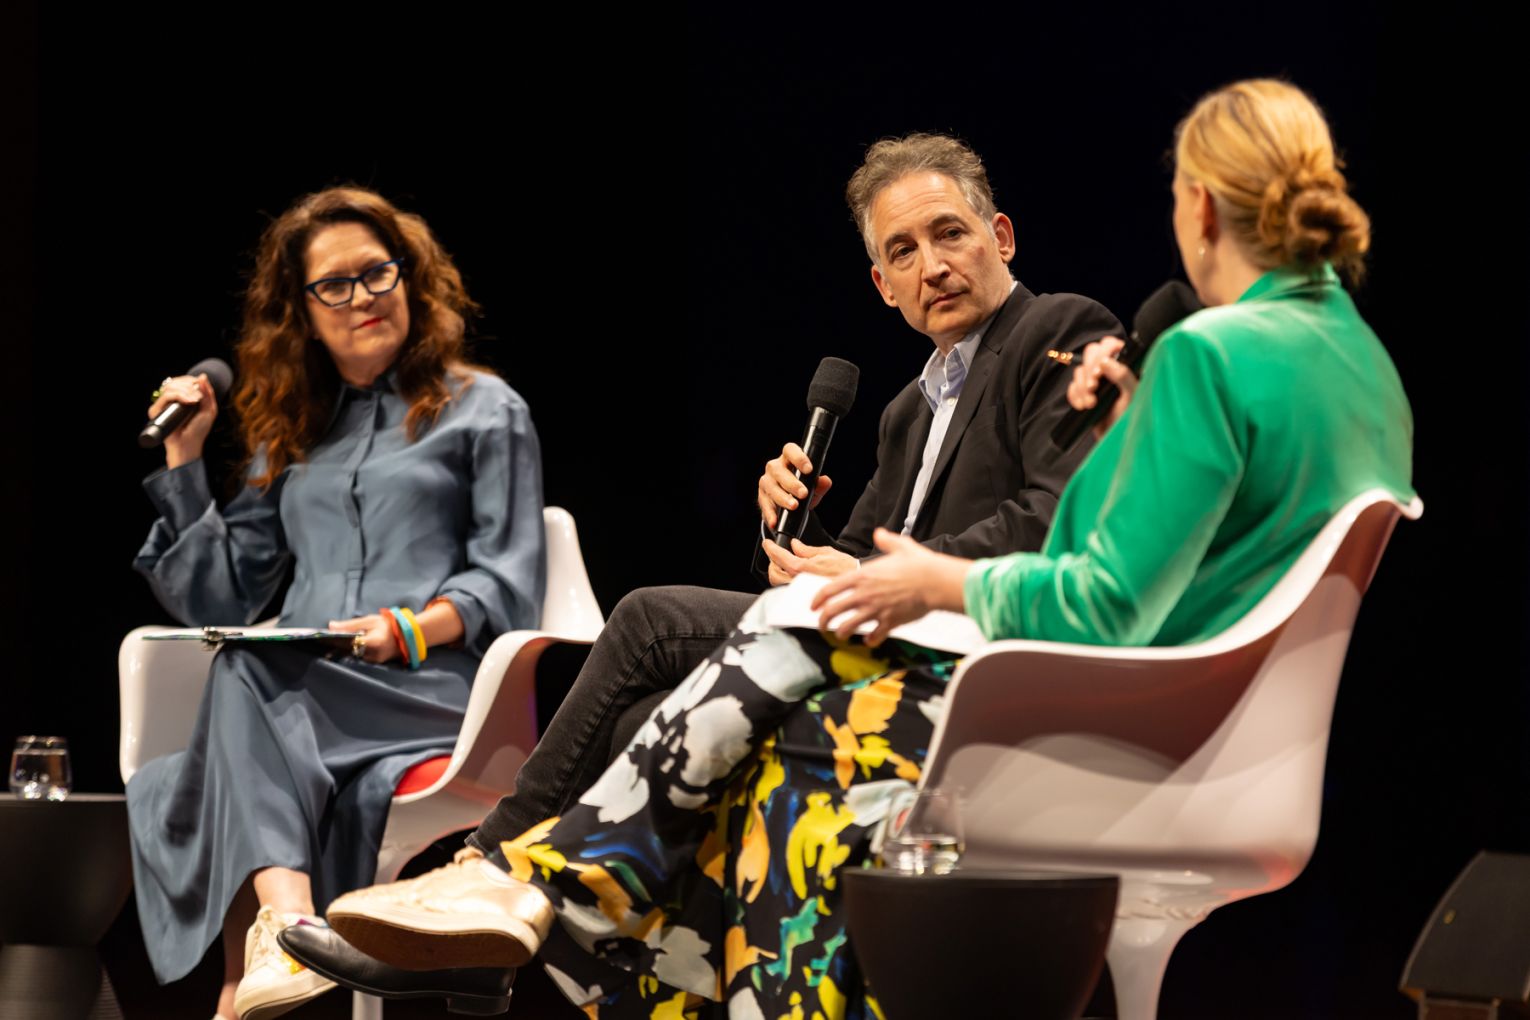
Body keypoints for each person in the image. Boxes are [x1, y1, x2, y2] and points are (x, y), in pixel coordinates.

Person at [274, 132, 1120, 1011]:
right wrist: (793, 531)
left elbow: (1055, 519)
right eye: (902, 251)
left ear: (1000, 236)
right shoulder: (910, 410)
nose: (932, 265)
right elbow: (834, 568)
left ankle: (487, 873)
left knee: (648, 620)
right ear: (883, 284)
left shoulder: (1056, 331)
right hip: (878, 645)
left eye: (950, 234)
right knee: (637, 716)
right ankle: (574, 962)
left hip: (981, 661)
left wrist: (872, 572)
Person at [127, 186, 545, 1020]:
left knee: (240, 694)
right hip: (302, 695)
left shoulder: (484, 409)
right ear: (303, 312)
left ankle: (279, 937)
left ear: (410, 277)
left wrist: (405, 630)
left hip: (438, 692)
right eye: (335, 285)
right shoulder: (292, 429)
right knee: (246, 678)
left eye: (378, 272)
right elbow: (219, 594)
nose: (362, 297)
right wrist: (184, 461)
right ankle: (254, 975)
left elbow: (508, 580)